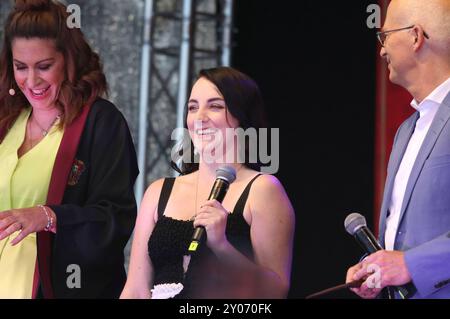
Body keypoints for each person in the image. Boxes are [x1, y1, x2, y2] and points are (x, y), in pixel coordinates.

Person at [0, 0, 139, 298]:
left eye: (44, 66)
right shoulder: (6, 119)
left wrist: (49, 216)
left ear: (70, 60)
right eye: (20, 67)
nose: (31, 81)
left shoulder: (101, 122)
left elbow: (115, 218)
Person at [120, 66, 295, 299]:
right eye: (193, 108)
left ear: (241, 116)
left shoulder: (262, 190)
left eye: (215, 106)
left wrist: (221, 244)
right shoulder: (159, 192)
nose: (199, 118)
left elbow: (275, 292)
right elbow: (136, 290)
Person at [346, 0, 450, 299]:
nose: (381, 49)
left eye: (386, 35)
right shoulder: (407, 130)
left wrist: (410, 264)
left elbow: (409, 261)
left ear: (416, 37)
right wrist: (376, 266)